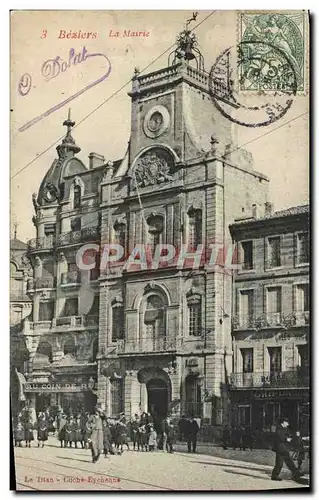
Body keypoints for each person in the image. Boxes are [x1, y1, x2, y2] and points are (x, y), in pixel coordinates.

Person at [271, 417, 301, 483]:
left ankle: (274, 476)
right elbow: (280, 437)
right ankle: (296, 473)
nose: (288, 424)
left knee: (280, 463)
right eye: (287, 422)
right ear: (283, 422)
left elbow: (283, 435)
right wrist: (286, 439)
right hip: (281, 448)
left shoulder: (282, 428)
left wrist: (288, 437)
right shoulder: (279, 428)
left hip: (281, 448)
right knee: (288, 461)